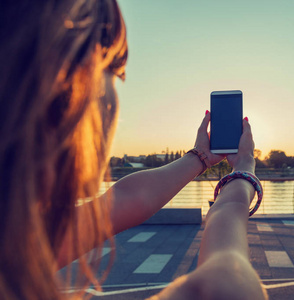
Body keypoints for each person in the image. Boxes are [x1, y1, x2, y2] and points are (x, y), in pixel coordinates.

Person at [0, 1, 267, 299]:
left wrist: (200, 158)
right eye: (115, 73)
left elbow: (129, 199)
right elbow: (224, 284)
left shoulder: (17, 241)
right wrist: (243, 171)